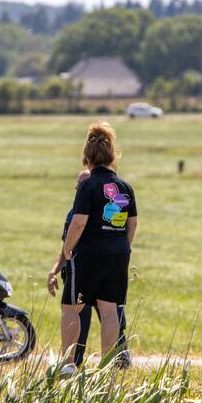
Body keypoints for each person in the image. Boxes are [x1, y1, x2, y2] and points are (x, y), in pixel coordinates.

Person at [60, 122, 137, 371]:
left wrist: (67, 248)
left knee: (71, 307)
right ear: (112, 155)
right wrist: (122, 246)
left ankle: (68, 364)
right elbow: (132, 223)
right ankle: (107, 365)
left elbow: (79, 222)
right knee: (109, 309)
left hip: (90, 254)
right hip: (118, 253)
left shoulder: (88, 185)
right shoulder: (125, 187)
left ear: (87, 157)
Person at [47, 168, 130, 368]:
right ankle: (75, 361)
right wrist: (55, 270)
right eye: (78, 184)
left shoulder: (88, 213)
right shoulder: (73, 214)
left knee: (111, 314)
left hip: (87, 270)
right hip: (84, 270)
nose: (78, 188)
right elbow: (66, 245)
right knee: (88, 319)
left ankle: (118, 358)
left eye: (82, 184)